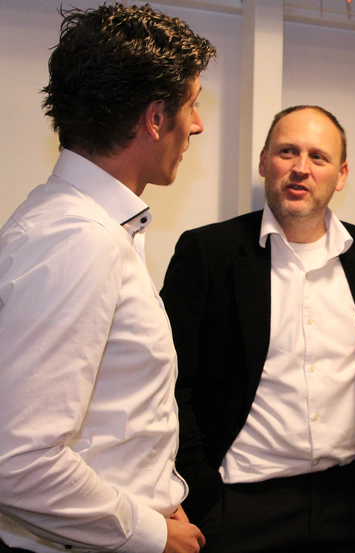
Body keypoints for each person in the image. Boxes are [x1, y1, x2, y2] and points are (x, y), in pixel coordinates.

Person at [0, 4, 215, 553]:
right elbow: (18, 462)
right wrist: (151, 533)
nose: (197, 125)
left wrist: (160, 496)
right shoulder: (78, 238)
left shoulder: (85, 225)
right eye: (191, 105)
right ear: (155, 119)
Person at [160, 105, 355, 553]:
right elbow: (170, 385)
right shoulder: (208, 253)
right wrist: (203, 496)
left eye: (318, 157)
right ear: (264, 162)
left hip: (350, 507)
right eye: (287, 152)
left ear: (341, 175)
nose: (301, 168)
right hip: (239, 510)